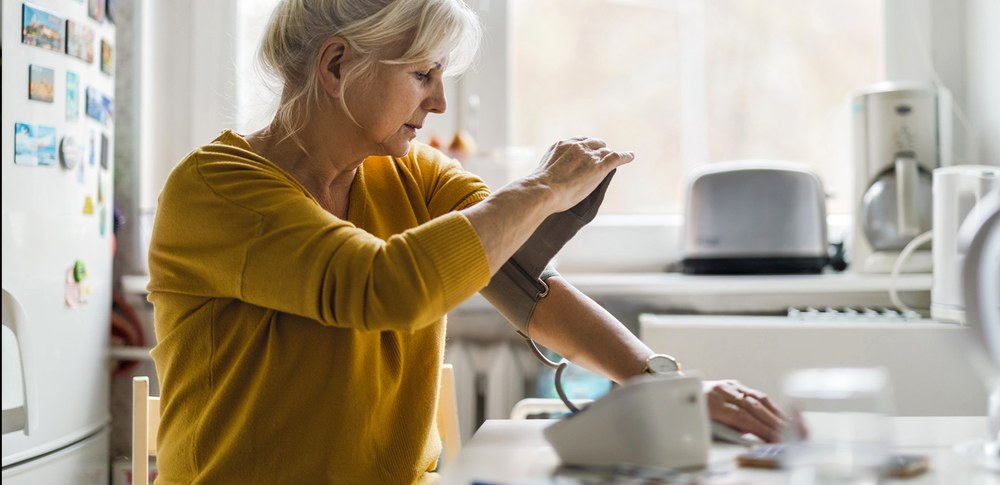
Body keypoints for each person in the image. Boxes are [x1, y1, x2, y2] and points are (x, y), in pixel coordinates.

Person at [147, 0, 783, 483]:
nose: (441, 102)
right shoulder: (215, 190)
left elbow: (517, 279)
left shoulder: (410, 172)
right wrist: (538, 191)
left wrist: (661, 385)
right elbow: (380, 288)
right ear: (337, 65)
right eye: (423, 74)